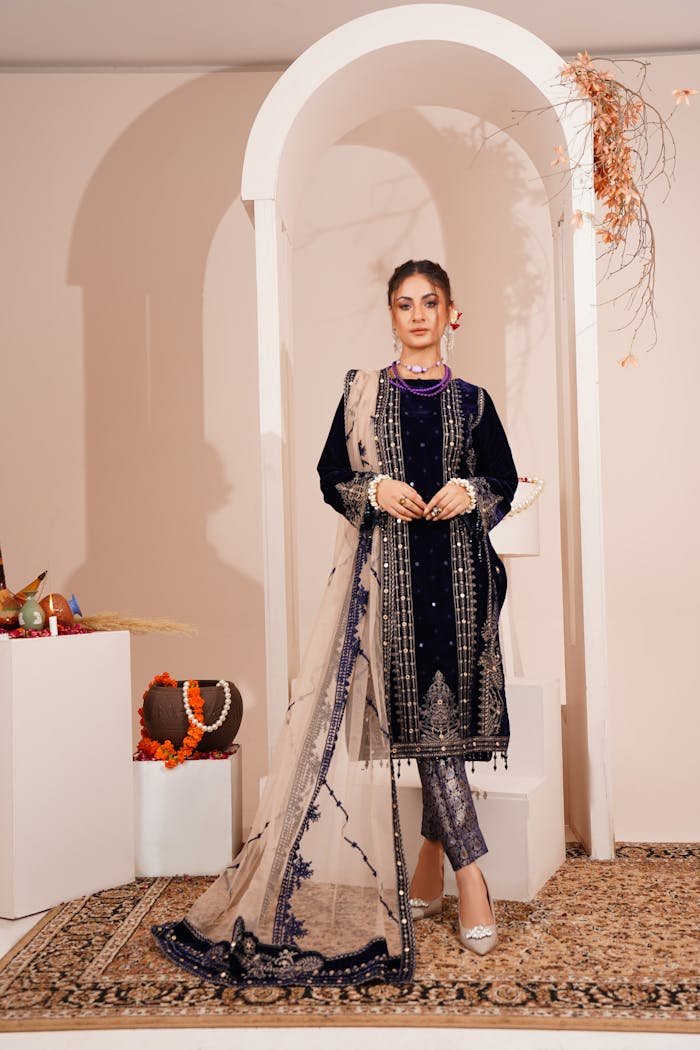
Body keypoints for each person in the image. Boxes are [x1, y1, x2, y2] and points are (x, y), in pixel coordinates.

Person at [152, 259, 518, 986]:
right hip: (389, 585)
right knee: (421, 721)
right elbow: (331, 476)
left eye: (430, 302)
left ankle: (433, 862)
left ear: (452, 313)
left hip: (459, 580)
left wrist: (468, 490)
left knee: (441, 725)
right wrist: (375, 490)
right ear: (392, 315)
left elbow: (503, 480)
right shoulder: (361, 393)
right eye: (405, 304)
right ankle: (472, 874)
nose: (418, 315)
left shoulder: (473, 402)